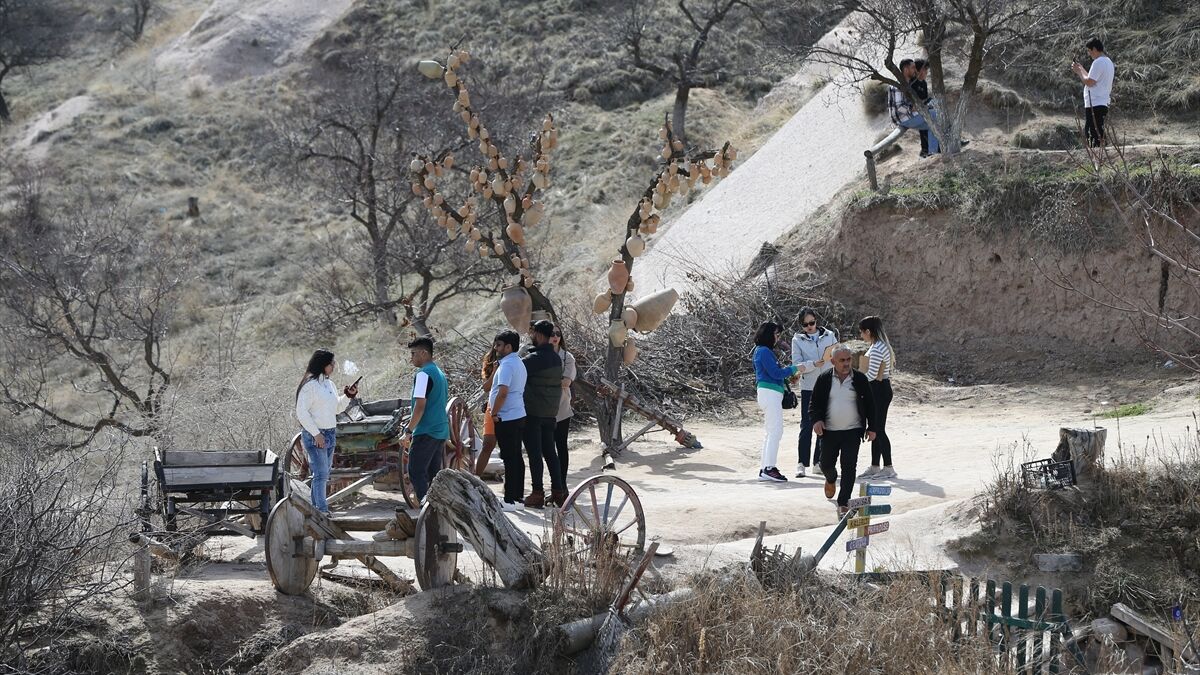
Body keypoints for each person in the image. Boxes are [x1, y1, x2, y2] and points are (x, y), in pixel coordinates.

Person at [810, 346, 877, 516]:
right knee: (825, 464)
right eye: (842, 360)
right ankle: (831, 479)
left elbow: (871, 404)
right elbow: (814, 404)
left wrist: (872, 428)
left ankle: (843, 503)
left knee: (849, 466)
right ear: (833, 362)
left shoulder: (860, 379)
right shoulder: (824, 379)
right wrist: (817, 420)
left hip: (852, 431)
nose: (846, 363)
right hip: (829, 431)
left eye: (849, 359)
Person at [295, 349, 358, 514]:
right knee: (321, 473)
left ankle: (316, 510)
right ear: (323, 365)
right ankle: (322, 510)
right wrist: (316, 434)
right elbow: (301, 413)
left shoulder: (329, 384)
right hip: (315, 435)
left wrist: (348, 396)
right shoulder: (310, 386)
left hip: (330, 433)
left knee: (323, 473)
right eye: (332, 363)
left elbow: (336, 408)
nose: (334, 366)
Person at [521, 319, 566, 508]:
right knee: (550, 452)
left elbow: (516, 371)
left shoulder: (534, 358)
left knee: (534, 454)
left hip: (534, 412)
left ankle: (537, 493)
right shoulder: (556, 357)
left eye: (533, 333)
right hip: (550, 413)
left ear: (539, 335)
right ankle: (559, 492)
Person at [790, 307, 839, 478]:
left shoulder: (829, 335)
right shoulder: (797, 340)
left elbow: (837, 355)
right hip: (808, 386)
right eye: (806, 325)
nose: (810, 327)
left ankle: (818, 462)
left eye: (812, 323)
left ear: (817, 321)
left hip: (828, 384)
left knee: (824, 424)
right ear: (801, 325)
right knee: (807, 425)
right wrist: (813, 364)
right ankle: (801, 463)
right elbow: (796, 364)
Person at [402, 336, 449, 503]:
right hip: (440, 430)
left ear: (423, 353)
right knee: (434, 475)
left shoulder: (422, 374)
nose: (411, 358)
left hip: (426, 430)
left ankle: (426, 509)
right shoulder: (439, 373)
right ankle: (437, 510)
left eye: (413, 353)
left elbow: (420, 406)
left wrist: (408, 431)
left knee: (415, 472)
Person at [753, 321, 798, 483]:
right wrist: (794, 369)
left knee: (771, 432)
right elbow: (775, 373)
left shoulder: (762, 351)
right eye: (776, 334)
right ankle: (769, 468)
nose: (777, 338)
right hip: (770, 394)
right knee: (775, 432)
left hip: (769, 393)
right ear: (768, 335)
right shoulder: (764, 351)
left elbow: (774, 373)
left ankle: (766, 467)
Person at [488, 330, 527, 511]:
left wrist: (494, 413)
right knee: (516, 457)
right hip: (517, 415)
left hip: (507, 417)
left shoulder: (507, 366)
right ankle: (518, 498)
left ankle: (510, 499)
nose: (496, 349)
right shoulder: (517, 363)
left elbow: (502, 392)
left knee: (510, 459)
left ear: (509, 347)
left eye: (499, 345)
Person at [857, 316, 897, 480]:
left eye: (862, 332)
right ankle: (875, 466)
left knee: (878, 429)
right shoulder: (878, 346)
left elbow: (872, 374)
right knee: (874, 428)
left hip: (879, 390)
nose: (861, 336)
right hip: (878, 390)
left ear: (868, 331)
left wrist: (857, 381)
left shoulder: (878, 348)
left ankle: (888, 467)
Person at [888, 59, 939, 156]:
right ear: (906, 70)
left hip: (908, 116)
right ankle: (932, 152)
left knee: (933, 124)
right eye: (913, 68)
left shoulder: (907, 84)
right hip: (902, 119)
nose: (915, 70)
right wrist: (913, 108)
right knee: (934, 114)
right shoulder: (898, 86)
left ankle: (932, 153)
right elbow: (899, 108)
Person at [1072, 37, 1114, 148]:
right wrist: (1081, 69)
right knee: (1099, 130)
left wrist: (1078, 73)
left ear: (1095, 49)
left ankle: (1097, 158)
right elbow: (1092, 78)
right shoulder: (1108, 62)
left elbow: (1089, 82)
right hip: (1102, 101)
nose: (1089, 54)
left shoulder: (1098, 62)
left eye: (1090, 51)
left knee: (1092, 133)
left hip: (1094, 101)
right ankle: (1102, 156)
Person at [550, 327, 575, 490]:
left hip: (562, 407)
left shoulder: (567, 357)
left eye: (558, 334)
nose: (555, 337)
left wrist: (544, 382)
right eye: (551, 334)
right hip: (543, 408)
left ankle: (562, 484)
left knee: (561, 445)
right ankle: (554, 483)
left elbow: (566, 382)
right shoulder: (538, 354)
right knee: (547, 448)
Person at [474, 347, 499, 476]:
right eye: (497, 345)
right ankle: (476, 477)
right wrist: (494, 371)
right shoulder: (490, 362)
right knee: (488, 444)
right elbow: (486, 387)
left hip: (510, 407)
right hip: (493, 405)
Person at [911, 59, 933, 158]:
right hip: (915, 110)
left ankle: (929, 149)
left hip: (924, 108)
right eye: (925, 70)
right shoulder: (912, 83)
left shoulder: (923, 83)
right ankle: (925, 150)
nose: (926, 72)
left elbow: (925, 98)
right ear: (918, 71)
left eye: (927, 70)